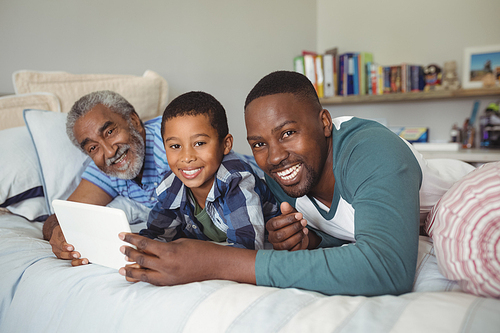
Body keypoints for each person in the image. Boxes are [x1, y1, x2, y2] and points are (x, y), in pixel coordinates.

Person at [118, 71, 426, 296]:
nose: (275, 157)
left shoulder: (372, 151)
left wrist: (214, 261)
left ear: (324, 123)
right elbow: (350, 233)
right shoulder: (280, 180)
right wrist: (310, 242)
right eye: (259, 144)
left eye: (288, 133)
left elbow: (387, 268)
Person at [43, 90, 170, 266]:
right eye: (93, 148)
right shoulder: (105, 168)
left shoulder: (172, 141)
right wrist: (58, 232)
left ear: (133, 121)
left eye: (110, 132)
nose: (109, 152)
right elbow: (61, 216)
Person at [140, 91, 279, 249]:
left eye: (199, 143)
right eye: (175, 146)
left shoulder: (235, 179)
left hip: (272, 248)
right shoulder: (171, 186)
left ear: (225, 144)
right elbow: (156, 236)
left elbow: (247, 247)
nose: (187, 157)